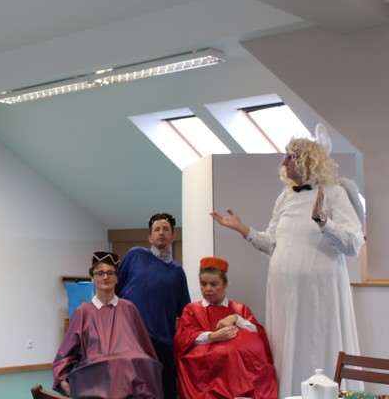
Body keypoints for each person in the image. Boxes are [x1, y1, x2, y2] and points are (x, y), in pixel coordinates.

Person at [210, 136, 363, 397]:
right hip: (284, 292)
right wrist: (243, 229)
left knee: (317, 343)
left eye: (289, 156)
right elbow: (272, 244)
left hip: (319, 292)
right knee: (285, 348)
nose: (283, 162)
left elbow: (353, 244)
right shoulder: (285, 197)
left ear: (307, 159)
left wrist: (322, 221)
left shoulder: (334, 193)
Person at [53, 251, 163, 399]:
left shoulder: (129, 308)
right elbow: (63, 357)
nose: (105, 277)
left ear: (117, 278)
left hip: (130, 383)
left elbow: (146, 351)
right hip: (94, 382)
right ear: (92, 279)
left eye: (110, 273)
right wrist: (64, 383)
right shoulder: (82, 312)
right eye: (100, 273)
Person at [174, 256, 277, 399]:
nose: (207, 289)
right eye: (203, 284)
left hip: (239, 373)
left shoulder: (239, 309)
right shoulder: (192, 310)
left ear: (225, 283)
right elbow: (183, 339)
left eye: (213, 284)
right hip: (207, 374)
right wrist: (213, 337)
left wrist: (236, 319)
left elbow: (258, 335)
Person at [115, 212, 190, 399]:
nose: (161, 232)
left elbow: (185, 313)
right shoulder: (134, 255)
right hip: (130, 341)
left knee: (163, 392)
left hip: (162, 346)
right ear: (149, 237)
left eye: (165, 229)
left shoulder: (178, 273)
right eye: (156, 229)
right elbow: (114, 291)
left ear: (173, 236)